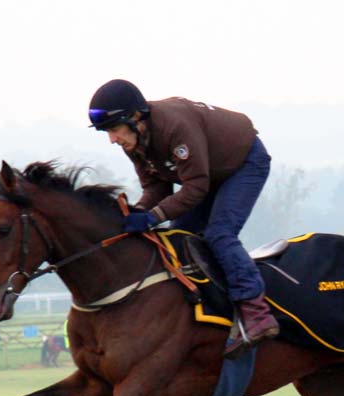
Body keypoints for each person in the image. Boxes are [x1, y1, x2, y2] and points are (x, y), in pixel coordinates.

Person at [88, 79, 277, 357]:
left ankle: (256, 313)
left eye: (114, 129)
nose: (113, 139)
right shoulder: (136, 141)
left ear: (137, 118)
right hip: (207, 173)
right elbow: (156, 188)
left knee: (219, 234)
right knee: (179, 237)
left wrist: (153, 216)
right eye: (107, 132)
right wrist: (139, 212)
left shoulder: (174, 126)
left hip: (243, 163)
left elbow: (196, 188)